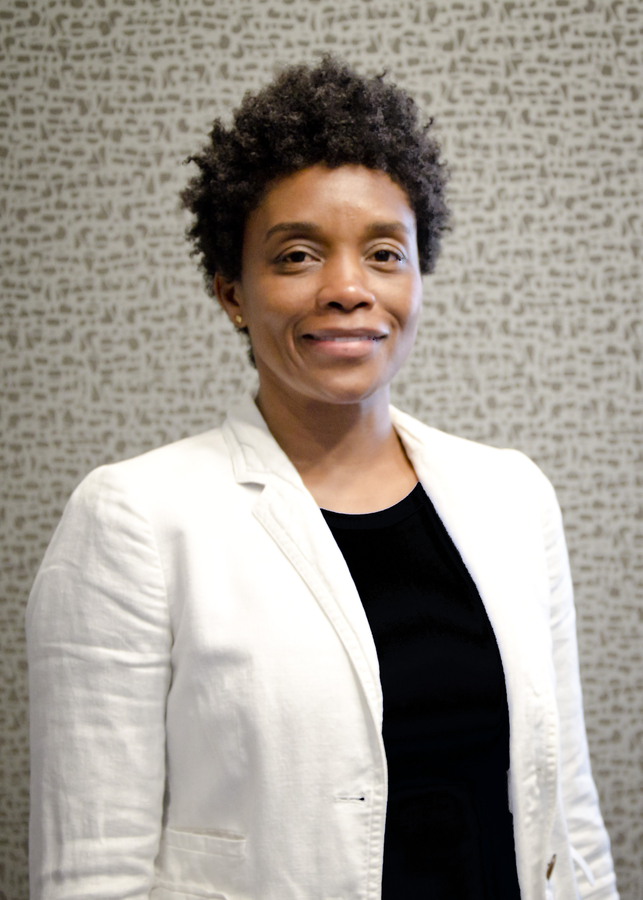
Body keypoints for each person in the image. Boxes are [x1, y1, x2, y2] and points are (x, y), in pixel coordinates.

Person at [27, 57, 618, 900]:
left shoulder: (512, 497)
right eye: (297, 255)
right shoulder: (135, 518)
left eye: (383, 253)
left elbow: (567, 813)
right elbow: (92, 868)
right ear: (231, 291)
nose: (347, 289)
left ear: (416, 277)